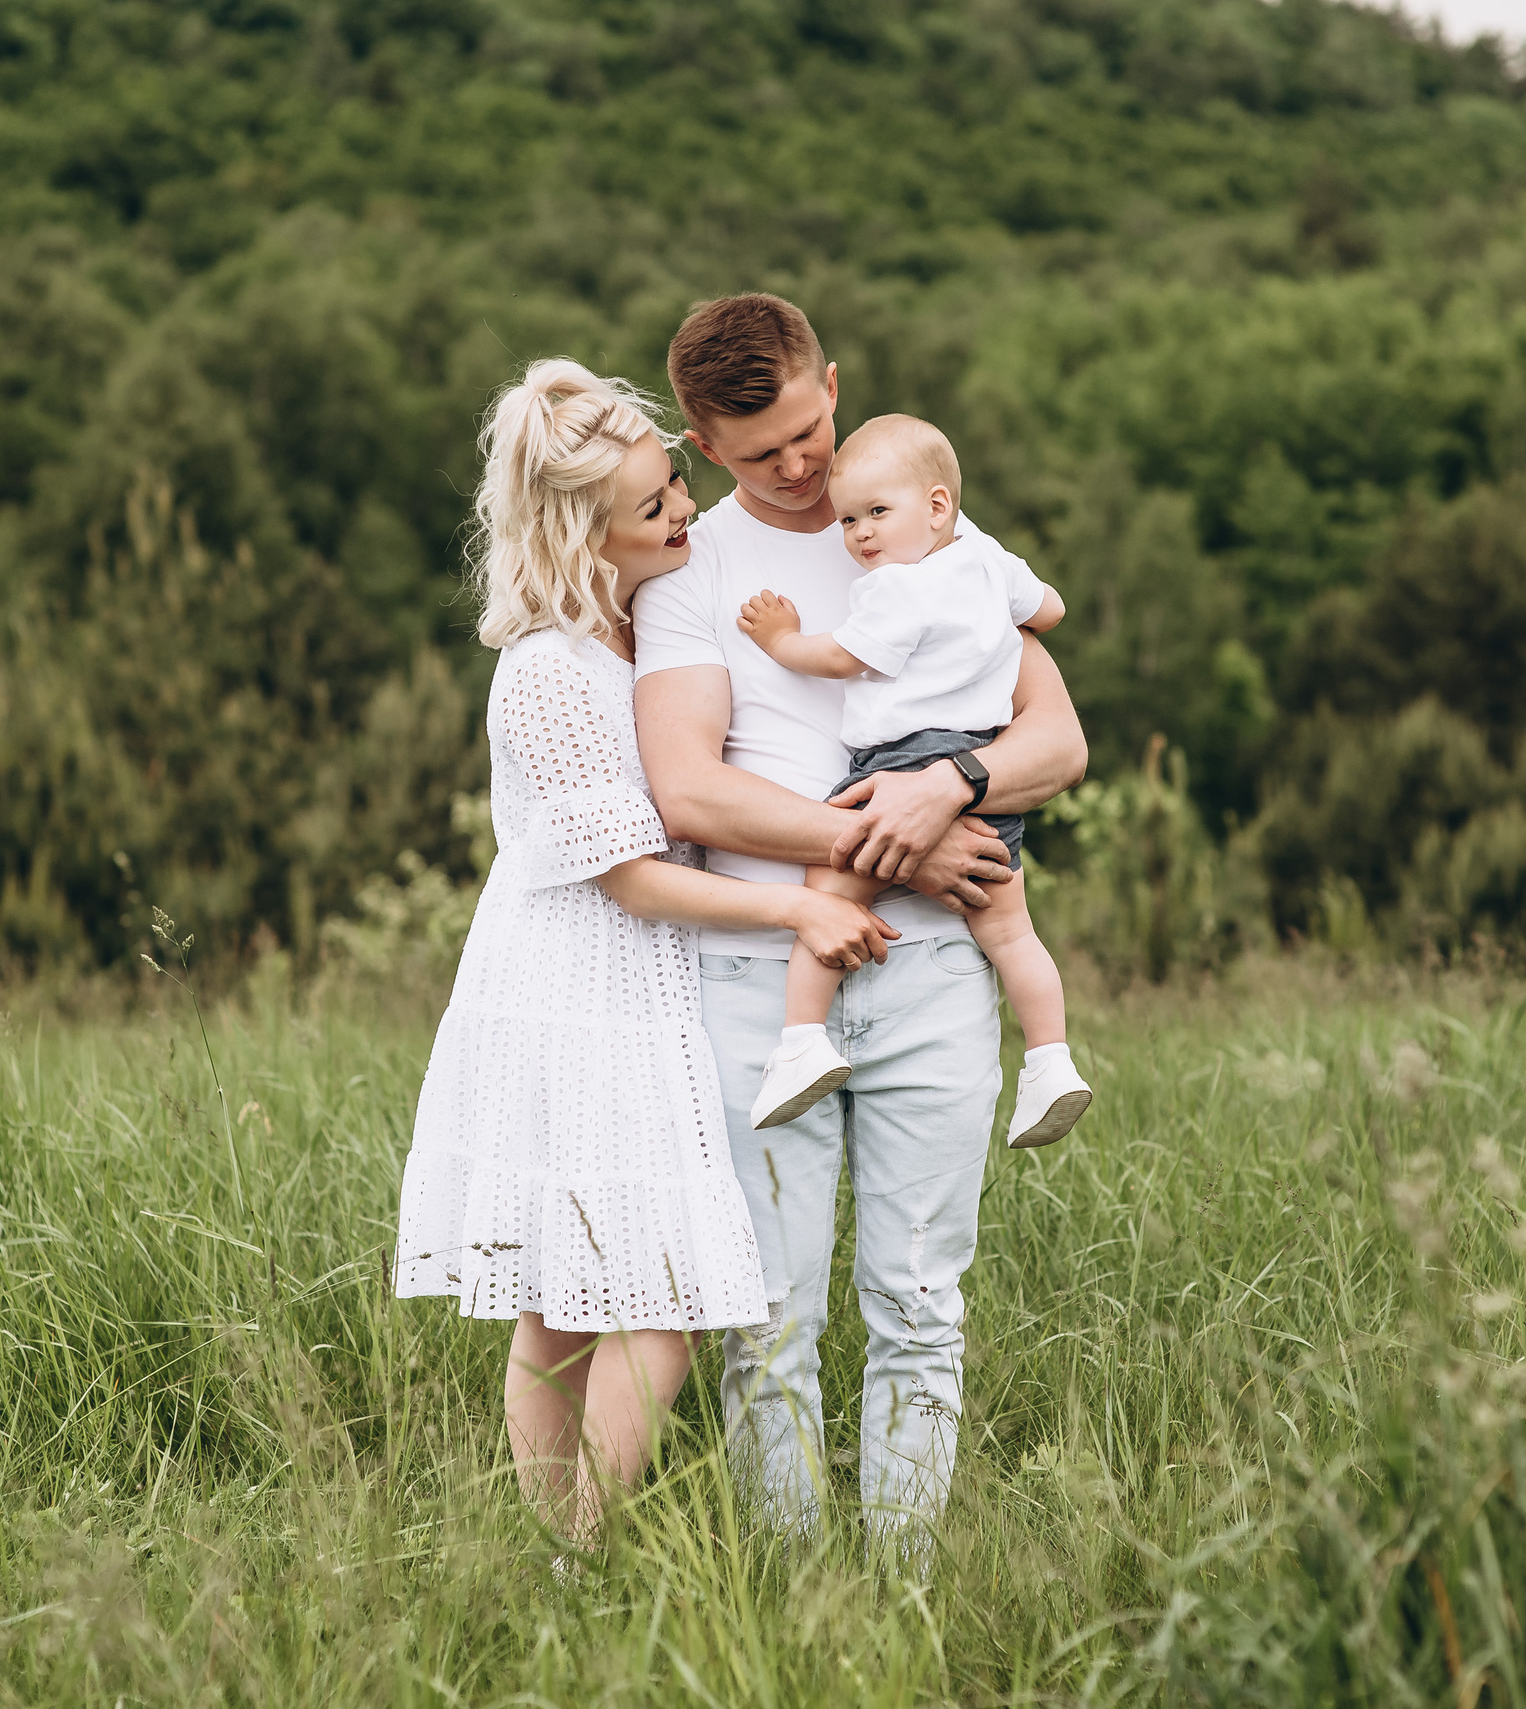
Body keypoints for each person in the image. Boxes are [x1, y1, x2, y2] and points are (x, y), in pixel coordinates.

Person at [392, 358, 900, 1550]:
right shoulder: (548, 674)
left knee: (589, 1295)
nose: (682, 510)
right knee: (637, 1296)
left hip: (653, 975)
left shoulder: (646, 622)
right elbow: (623, 876)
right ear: (582, 535)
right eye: (652, 507)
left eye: (673, 482)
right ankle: (576, 1548)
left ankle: (562, 1554)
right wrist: (795, 913)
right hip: (576, 980)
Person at [632, 295, 1088, 1552]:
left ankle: (903, 1599)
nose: (799, 467)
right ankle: (788, 1597)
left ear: (831, 383)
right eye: (758, 448)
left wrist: (952, 785)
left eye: (809, 428)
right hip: (757, 974)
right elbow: (689, 788)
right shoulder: (691, 565)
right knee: (767, 1318)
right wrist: (886, 840)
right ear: (703, 442)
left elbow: (1057, 738)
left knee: (919, 1301)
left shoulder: (922, 524)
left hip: (939, 969)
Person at [735, 413, 1094, 1150]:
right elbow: (1051, 609)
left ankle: (800, 1041)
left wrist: (780, 640)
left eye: (875, 513)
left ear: (935, 507)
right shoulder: (988, 559)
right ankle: (1050, 1060)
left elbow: (840, 659)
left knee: (824, 900)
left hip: (896, 763)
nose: (860, 535)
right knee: (1012, 932)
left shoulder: (897, 589)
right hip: (982, 766)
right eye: (847, 521)